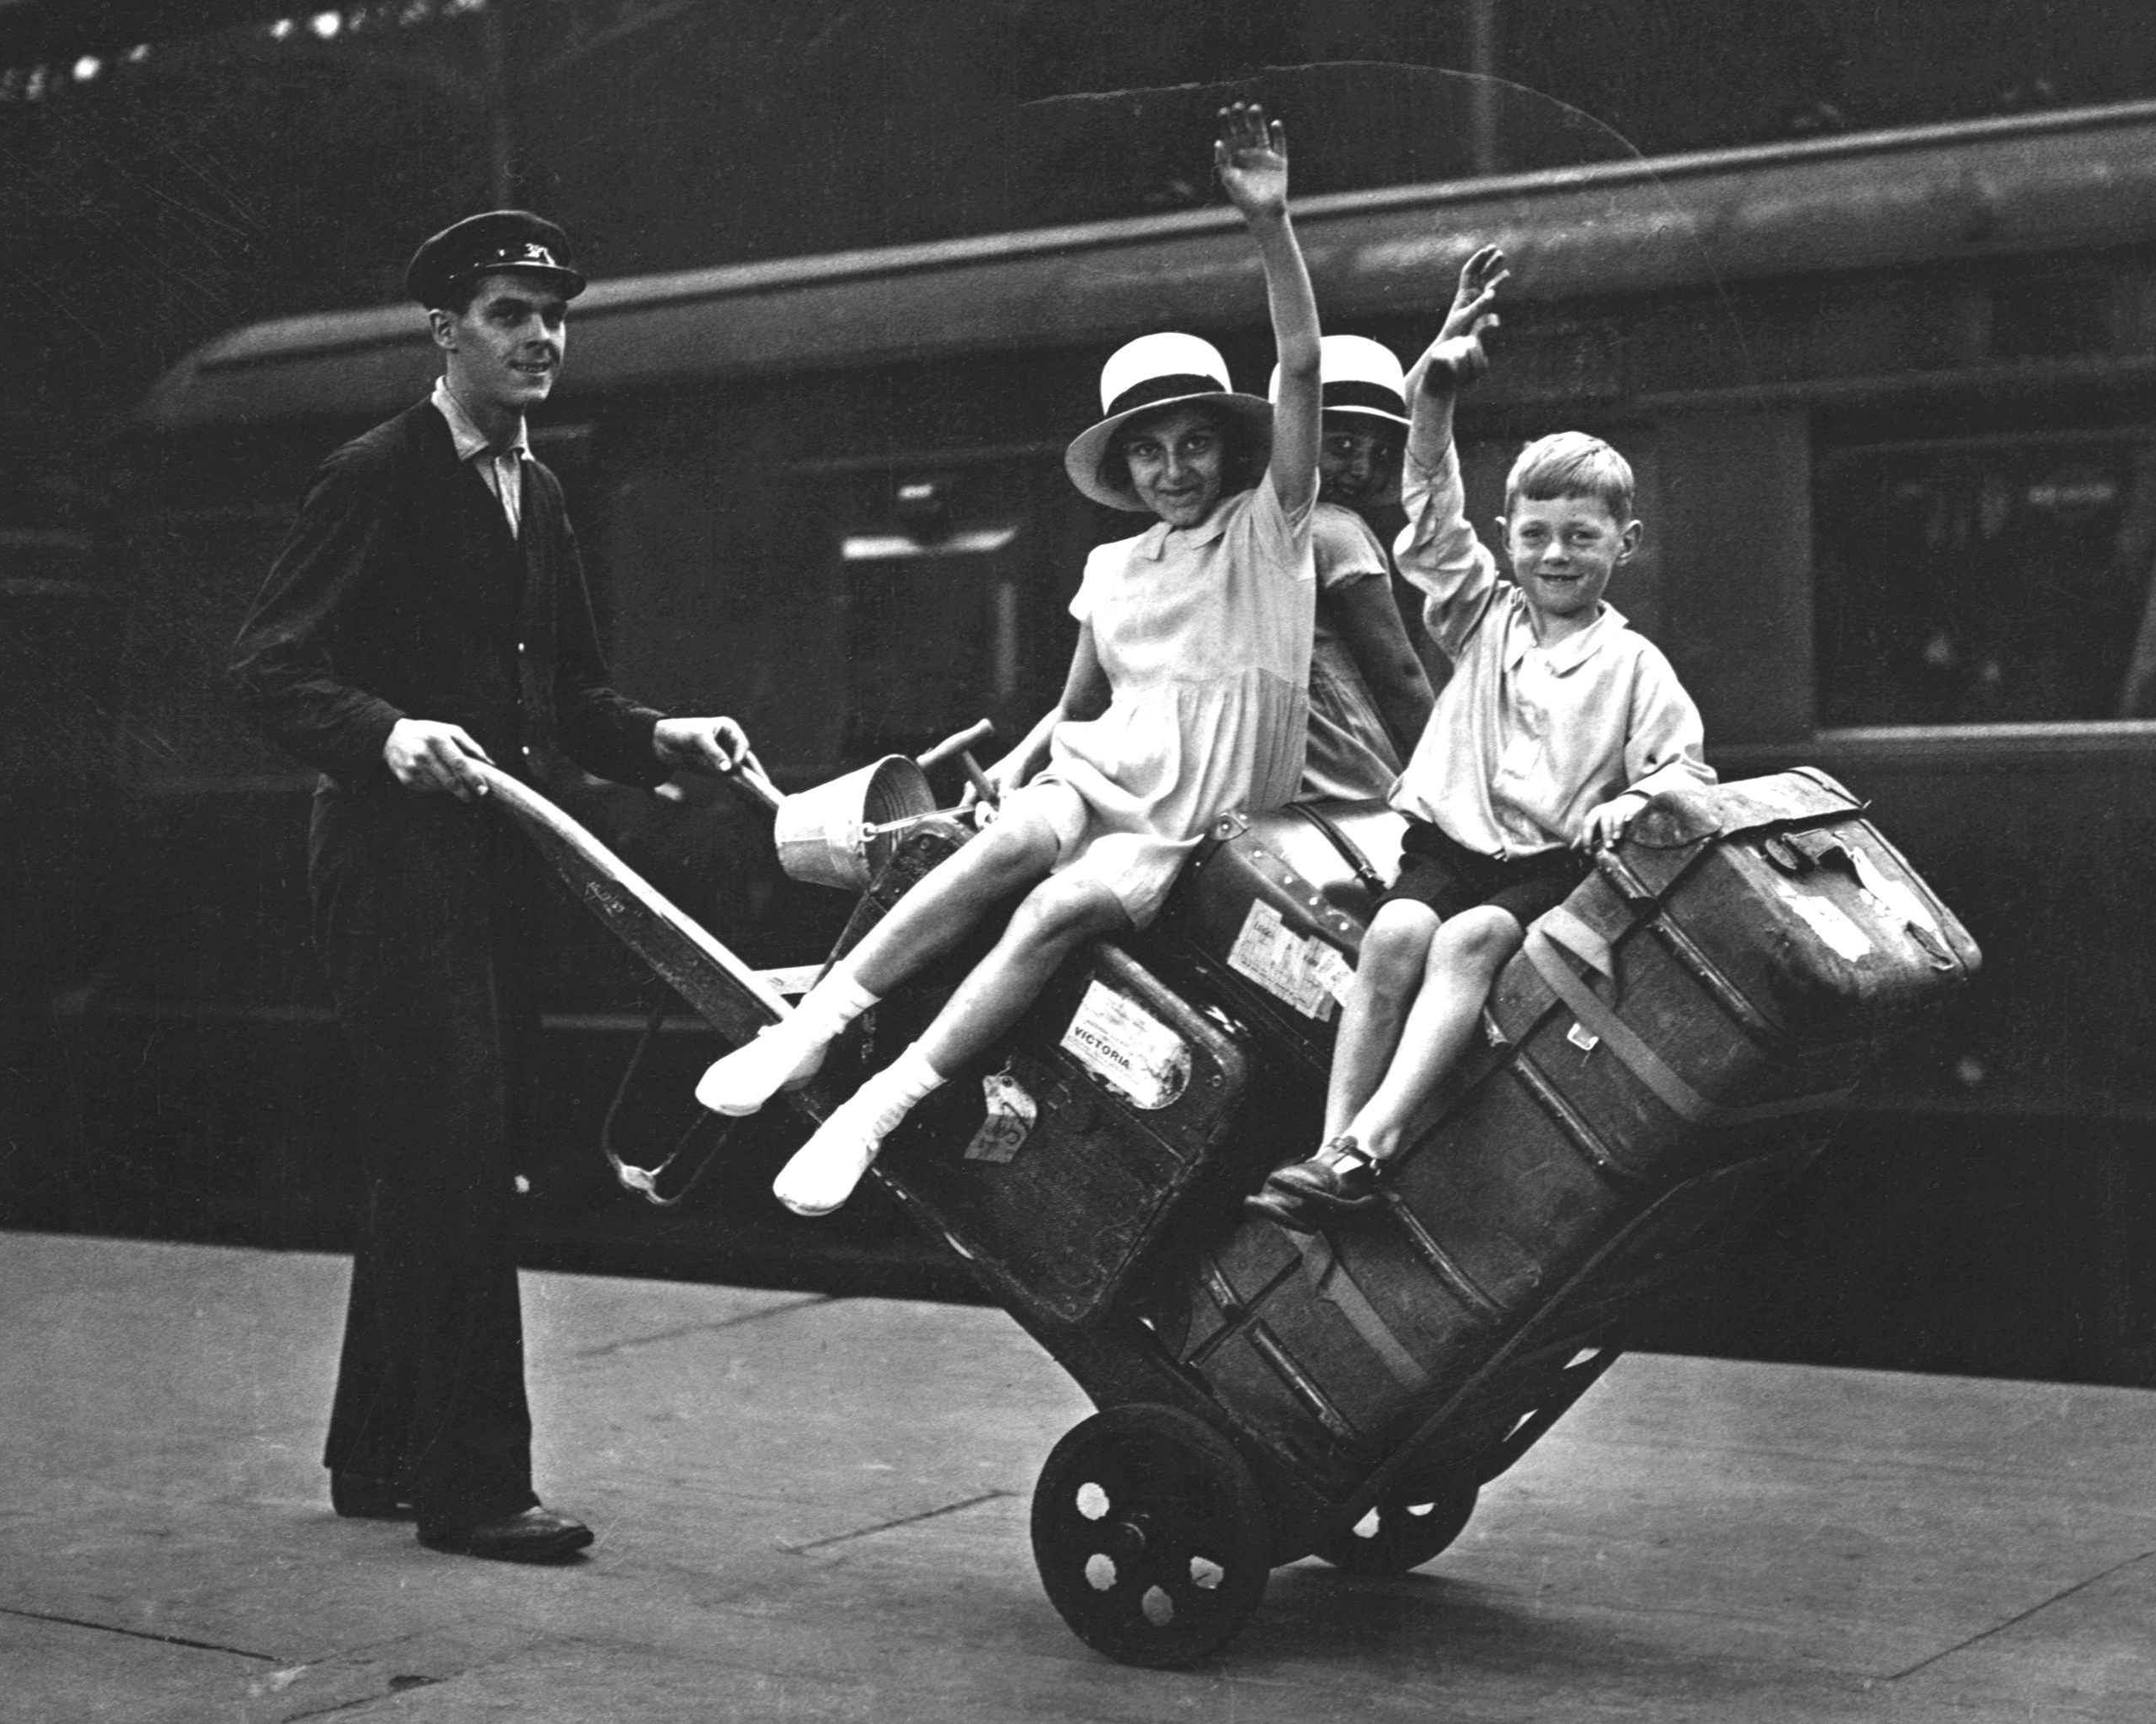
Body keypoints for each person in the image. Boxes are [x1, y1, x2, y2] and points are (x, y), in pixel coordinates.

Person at [227, 211, 753, 1562]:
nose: (540, 339)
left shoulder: (541, 487)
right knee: (455, 1160)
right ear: (444, 332)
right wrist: (389, 735)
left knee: (435, 1154)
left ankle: (375, 1452)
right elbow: (269, 668)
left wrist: (657, 738)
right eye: (512, 315)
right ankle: (474, 1488)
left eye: (554, 316)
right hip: (391, 873)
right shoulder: (376, 473)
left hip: (495, 872)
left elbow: (567, 694)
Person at [696, 102, 1324, 1217]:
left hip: (1192, 822)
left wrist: (1269, 225)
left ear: (1229, 449)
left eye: (1191, 444)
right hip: (1100, 775)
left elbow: (1303, 366)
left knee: (1050, 912)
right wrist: (1013, 775)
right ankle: (809, 1029)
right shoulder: (1115, 564)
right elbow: (1079, 704)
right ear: (1125, 465)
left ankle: (877, 1103)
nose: (1173, 467)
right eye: (1149, 448)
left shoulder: (1266, 536)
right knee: (1015, 835)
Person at [1248, 247, 1714, 1230]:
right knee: (1396, 933)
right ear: (1509, 537)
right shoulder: (1480, 615)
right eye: (1537, 533)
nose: (1556, 554)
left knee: (1466, 943)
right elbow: (1428, 507)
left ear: (1622, 546)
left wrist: (1630, 801)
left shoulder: (1636, 668)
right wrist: (1436, 395)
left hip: (1540, 867)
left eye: (1581, 537)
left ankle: (1372, 1149)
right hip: (1447, 847)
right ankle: (1330, 1151)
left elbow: (1682, 774)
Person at [1285, 334, 1435, 801]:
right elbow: (1401, 676)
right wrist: (1449, 774)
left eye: (1380, 455)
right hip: (1347, 766)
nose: (1362, 470)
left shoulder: (1253, 523)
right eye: (1344, 446)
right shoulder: (1336, 530)